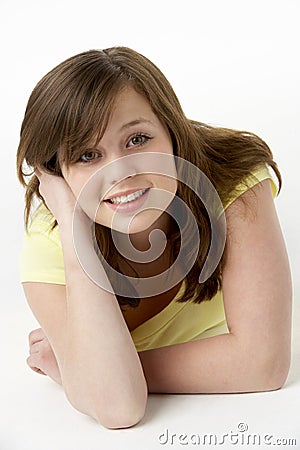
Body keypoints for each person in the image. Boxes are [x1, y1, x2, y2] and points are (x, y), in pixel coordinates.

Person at [17, 47, 292, 429]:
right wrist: (75, 241)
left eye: (137, 140)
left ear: (171, 130)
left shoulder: (232, 179)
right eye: (86, 155)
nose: (119, 173)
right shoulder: (49, 244)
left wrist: (80, 371)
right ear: (56, 174)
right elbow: (119, 409)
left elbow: (263, 365)